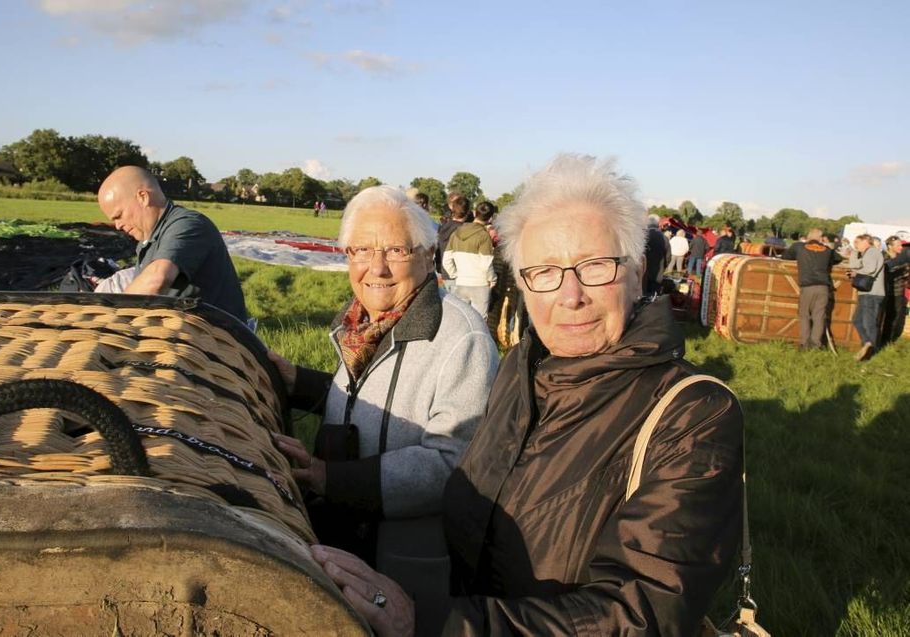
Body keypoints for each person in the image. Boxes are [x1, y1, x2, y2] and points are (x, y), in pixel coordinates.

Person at [312, 154, 743, 637]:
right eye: (544, 271)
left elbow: (643, 612)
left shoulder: (693, 414)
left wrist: (430, 621)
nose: (570, 295)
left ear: (637, 271)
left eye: (596, 266)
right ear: (521, 283)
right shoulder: (523, 367)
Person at [269, 185, 499, 636]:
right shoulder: (362, 321)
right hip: (348, 539)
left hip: (402, 560)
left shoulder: (460, 338)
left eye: (394, 249)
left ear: (428, 254)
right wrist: (301, 382)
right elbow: (367, 400)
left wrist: (327, 476)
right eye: (361, 250)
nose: (376, 267)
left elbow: (451, 461)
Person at [96, 166, 248, 321]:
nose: (117, 225)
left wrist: (112, 318)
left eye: (119, 216)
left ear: (143, 197)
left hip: (216, 336)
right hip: (185, 327)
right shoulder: (147, 240)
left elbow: (157, 279)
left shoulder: (188, 224)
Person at [782, 228, 842, 350]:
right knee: (819, 316)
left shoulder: (799, 247)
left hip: (807, 286)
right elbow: (838, 258)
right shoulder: (827, 250)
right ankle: (816, 345)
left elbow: (785, 256)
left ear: (808, 237)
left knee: (804, 315)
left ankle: (804, 344)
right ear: (821, 239)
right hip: (823, 287)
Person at [442, 200, 497, 319]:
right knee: (479, 321)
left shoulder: (456, 233)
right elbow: (486, 263)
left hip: (461, 282)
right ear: (491, 218)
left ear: (474, 213)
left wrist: (455, 274)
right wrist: (492, 279)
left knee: (461, 319)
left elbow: (446, 259)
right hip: (480, 284)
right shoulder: (483, 235)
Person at [847, 233, 886, 360]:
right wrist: (854, 252)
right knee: (857, 320)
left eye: (857, 242)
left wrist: (856, 273)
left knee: (869, 323)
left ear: (866, 241)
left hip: (872, 294)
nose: (855, 244)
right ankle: (867, 345)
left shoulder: (872, 252)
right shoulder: (866, 253)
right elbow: (853, 264)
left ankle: (871, 351)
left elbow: (869, 269)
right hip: (867, 293)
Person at [436, 193, 469, 290]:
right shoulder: (463, 230)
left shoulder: (443, 227)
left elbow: (438, 248)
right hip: (457, 274)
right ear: (467, 211)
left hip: (443, 272)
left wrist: (438, 265)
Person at [882, 236, 910, 344]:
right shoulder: (883, 257)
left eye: (901, 245)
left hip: (898, 291)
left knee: (895, 316)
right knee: (885, 316)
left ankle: (889, 340)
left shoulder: (903, 257)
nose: (901, 247)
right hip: (886, 290)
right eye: (898, 245)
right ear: (890, 246)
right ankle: (883, 339)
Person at [641, 214, 669, 296]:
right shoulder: (664, 238)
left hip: (643, 272)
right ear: (658, 224)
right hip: (658, 272)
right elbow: (668, 256)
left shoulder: (642, 236)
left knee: (642, 296)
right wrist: (664, 266)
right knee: (654, 297)